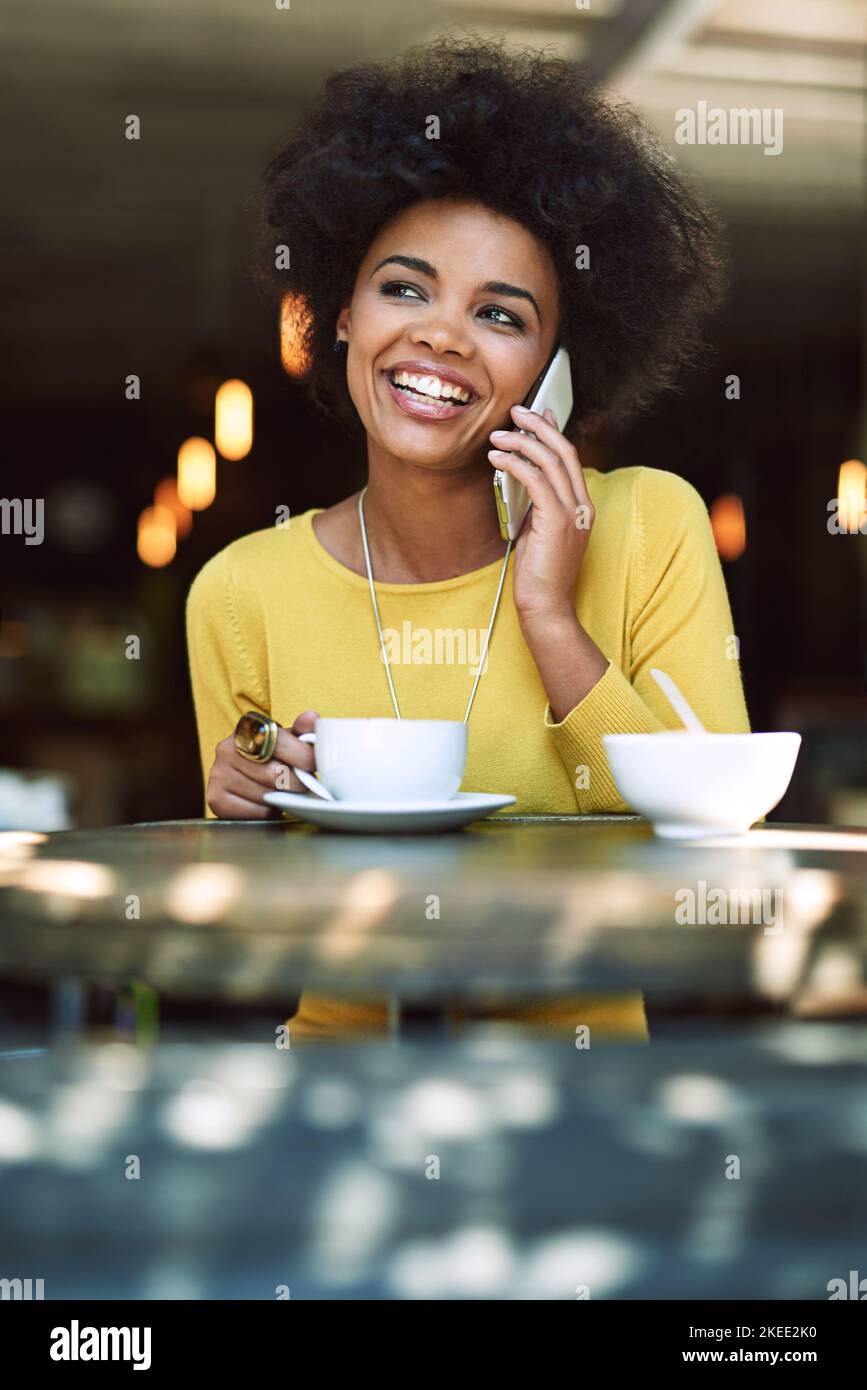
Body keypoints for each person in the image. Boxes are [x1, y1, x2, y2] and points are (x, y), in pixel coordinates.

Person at [186, 34, 750, 1044]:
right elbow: (259, 931)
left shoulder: (651, 524)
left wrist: (551, 612)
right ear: (341, 316)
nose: (442, 336)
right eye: (404, 288)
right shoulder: (240, 591)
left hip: (584, 1093)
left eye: (500, 313)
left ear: (556, 370)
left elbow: (715, 845)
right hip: (335, 1089)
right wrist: (245, 809)